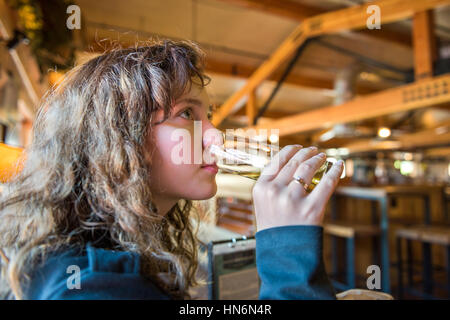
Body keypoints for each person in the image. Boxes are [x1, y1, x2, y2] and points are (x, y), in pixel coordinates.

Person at [0, 39, 343, 300]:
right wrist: (287, 249)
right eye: (187, 114)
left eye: (207, 115)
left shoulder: (105, 258)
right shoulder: (87, 287)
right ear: (122, 136)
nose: (215, 135)